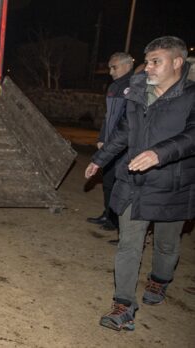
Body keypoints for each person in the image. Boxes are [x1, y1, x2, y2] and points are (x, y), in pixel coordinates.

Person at [84, 36, 194, 331]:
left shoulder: (191, 96)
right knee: (128, 244)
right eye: (148, 61)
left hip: (173, 184)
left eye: (157, 61)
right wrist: (100, 159)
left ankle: (159, 280)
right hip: (134, 180)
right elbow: (123, 132)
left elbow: (193, 135)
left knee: (166, 244)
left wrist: (160, 153)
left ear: (177, 62)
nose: (150, 67)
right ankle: (123, 305)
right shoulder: (137, 93)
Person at [87, 52, 134, 231]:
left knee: (118, 185)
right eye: (110, 67)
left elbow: (127, 122)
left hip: (123, 145)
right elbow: (109, 117)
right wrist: (102, 138)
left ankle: (117, 222)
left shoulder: (133, 86)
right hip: (111, 142)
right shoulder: (115, 86)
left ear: (127, 66)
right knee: (107, 182)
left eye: (114, 67)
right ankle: (108, 214)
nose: (110, 71)